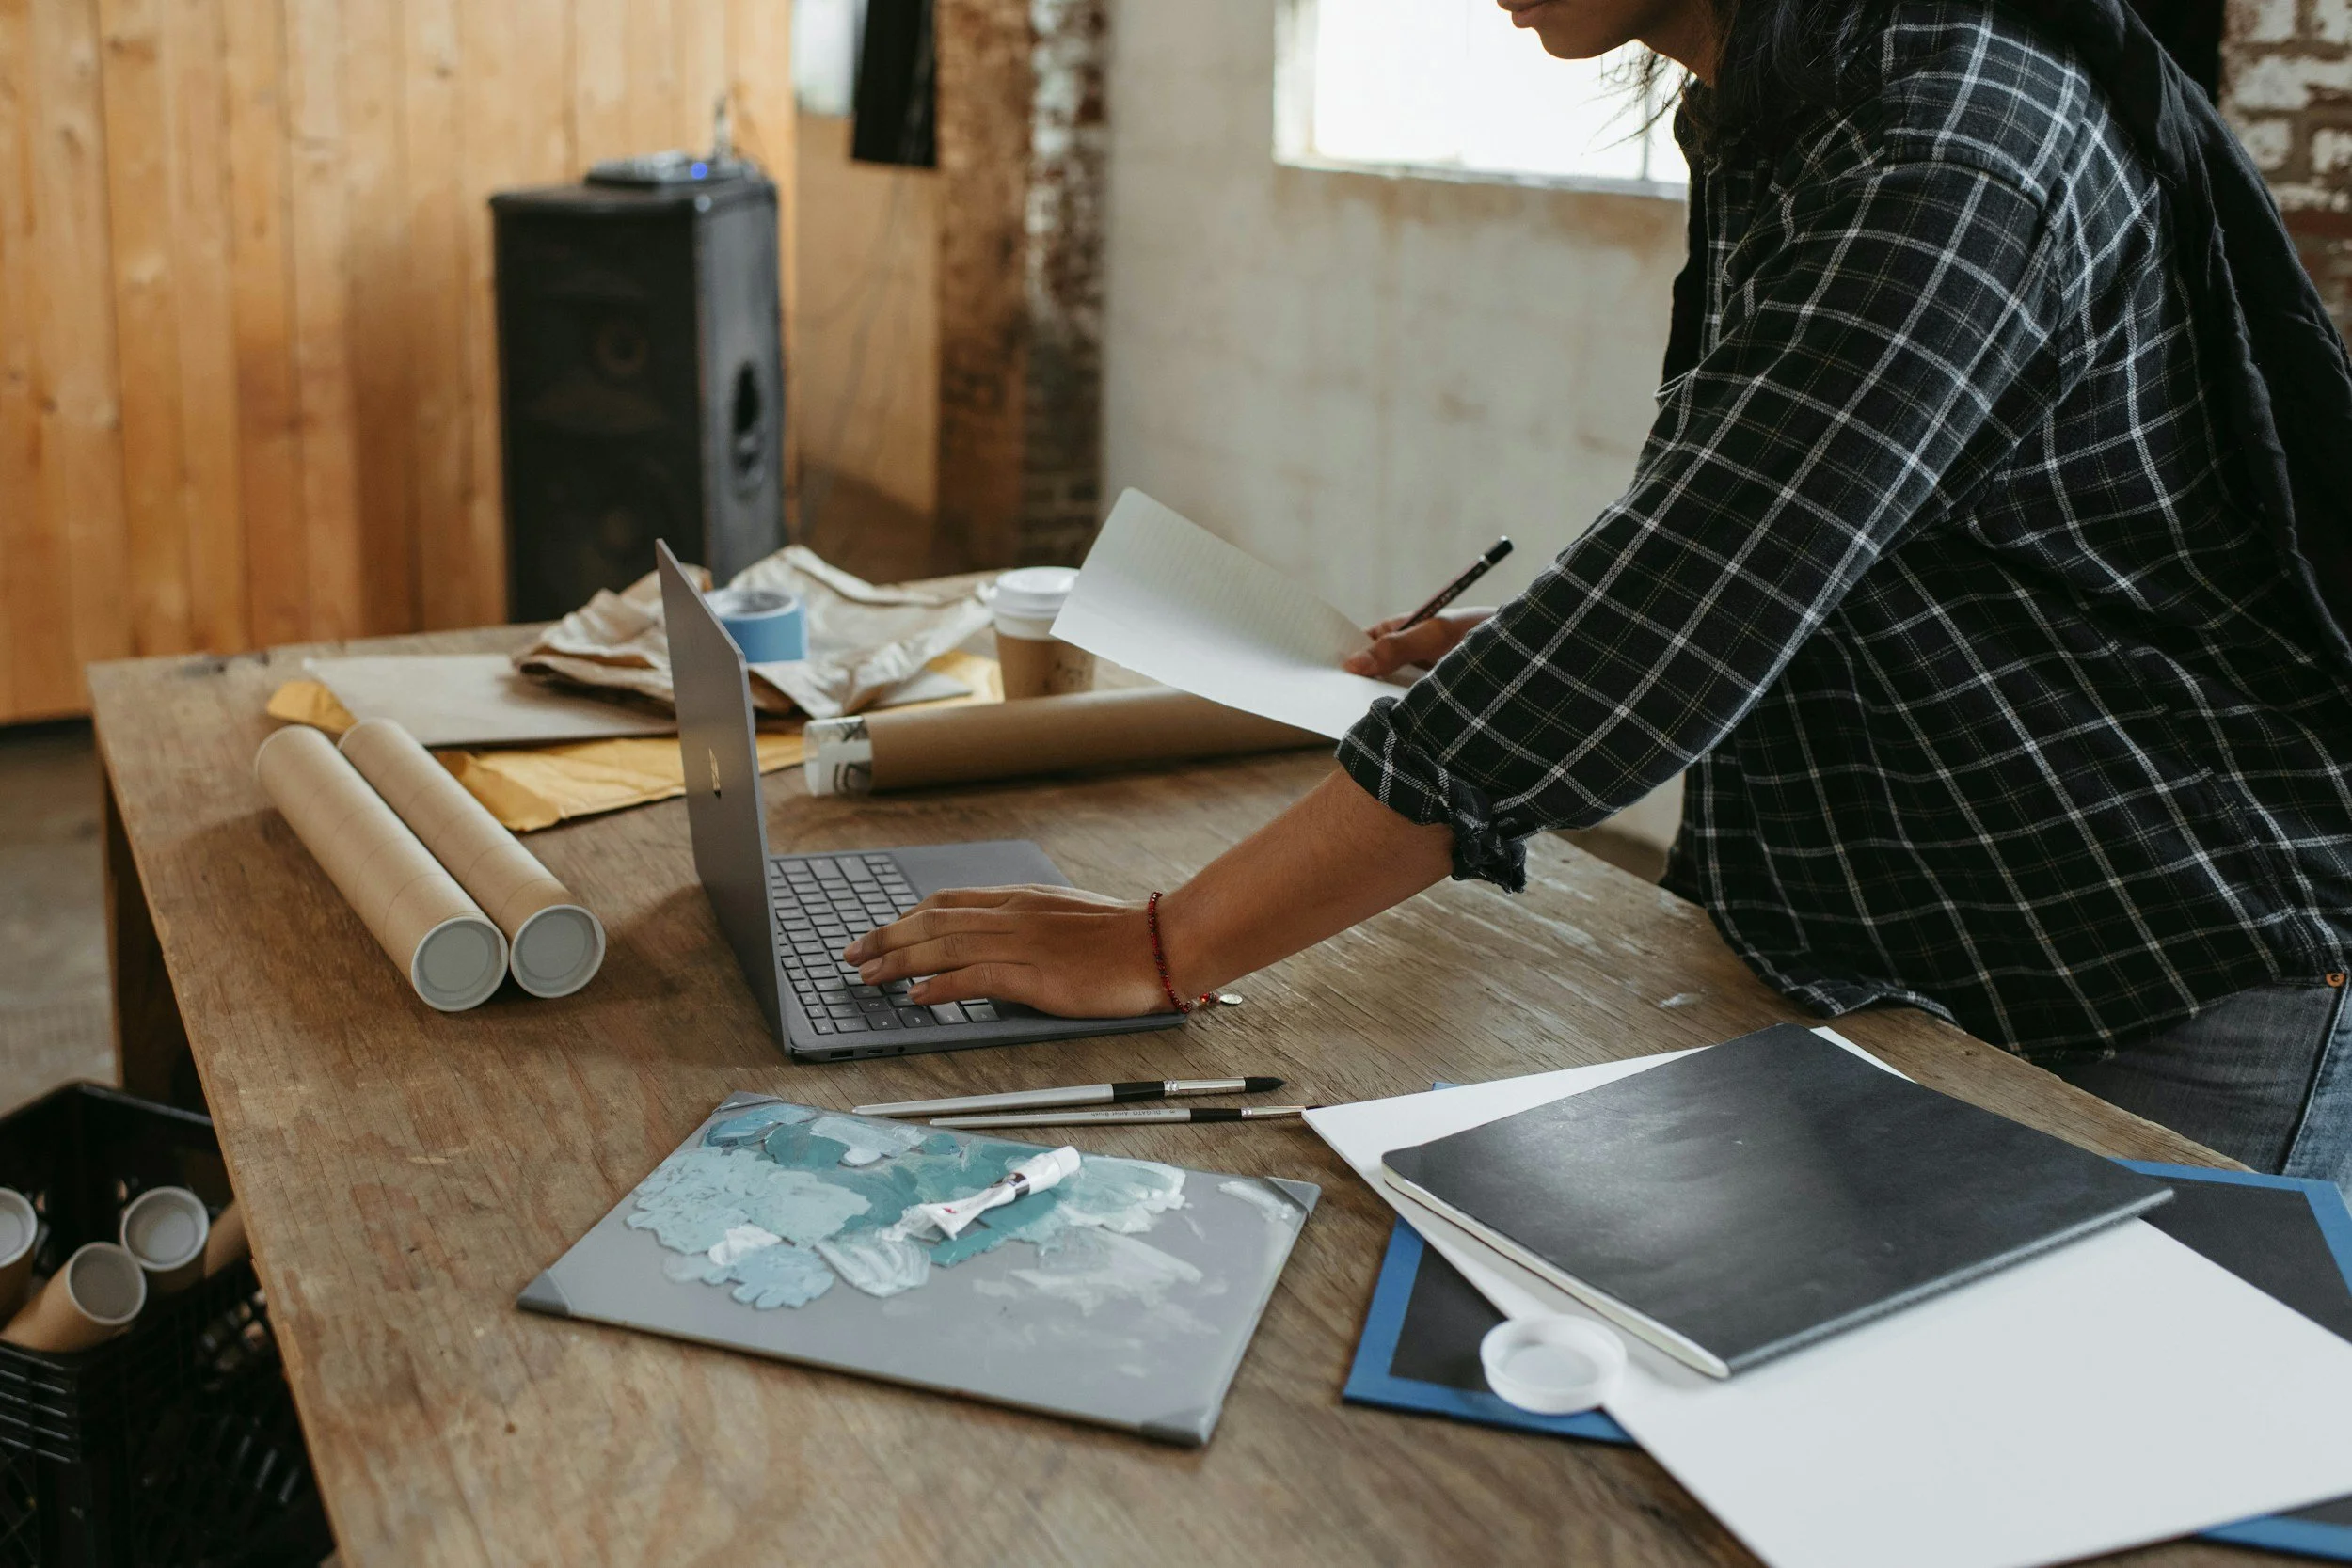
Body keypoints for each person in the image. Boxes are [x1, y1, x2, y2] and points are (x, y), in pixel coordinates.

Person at [846, 0, 2352, 1193]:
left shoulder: (1943, 139)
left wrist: (1166, 944)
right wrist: (1533, 643)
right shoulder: (1788, 106)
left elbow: (1675, 623)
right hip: (1920, 962)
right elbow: (1805, 535)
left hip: (2163, 976)